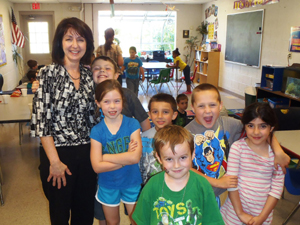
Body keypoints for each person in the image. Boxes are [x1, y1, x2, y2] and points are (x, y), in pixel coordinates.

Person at [30, 17, 97, 225]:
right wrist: (55, 161)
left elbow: (95, 117)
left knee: (84, 212)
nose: (75, 45)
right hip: (58, 154)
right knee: (60, 213)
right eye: (69, 39)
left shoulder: (89, 76)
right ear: (60, 43)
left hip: (87, 153)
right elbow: (42, 122)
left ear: (88, 44)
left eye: (81, 39)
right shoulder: (48, 74)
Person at [185, 83, 290, 208]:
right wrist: (217, 183)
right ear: (192, 107)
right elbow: (184, 168)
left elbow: (259, 130)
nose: (207, 111)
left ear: (220, 105)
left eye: (212, 105)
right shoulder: (185, 134)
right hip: (196, 195)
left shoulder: (229, 124)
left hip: (224, 196)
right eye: (201, 106)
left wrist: (278, 152)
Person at [91, 55, 151, 225]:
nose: (112, 106)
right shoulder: (96, 131)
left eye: (116, 101)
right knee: (111, 222)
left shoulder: (132, 124)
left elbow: (134, 157)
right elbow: (96, 166)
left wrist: (105, 157)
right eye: (106, 102)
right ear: (99, 103)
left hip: (132, 181)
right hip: (107, 184)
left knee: (137, 220)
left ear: (122, 101)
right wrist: (125, 157)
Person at [132, 125, 224, 225]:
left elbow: (213, 221)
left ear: (193, 154)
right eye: (169, 159)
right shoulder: (152, 185)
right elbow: (141, 220)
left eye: (183, 157)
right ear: (159, 158)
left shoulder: (202, 185)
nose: (177, 165)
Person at [221, 102, 284, 224]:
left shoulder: (276, 156)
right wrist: (240, 213)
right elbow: (232, 183)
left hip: (263, 217)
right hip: (234, 215)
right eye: (250, 125)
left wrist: (262, 218)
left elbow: (276, 190)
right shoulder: (238, 148)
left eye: (262, 126)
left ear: (271, 128)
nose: (256, 132)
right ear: (244, 126)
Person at [139, 93, 178, 184]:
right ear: (150, 114)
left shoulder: (180, 138)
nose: (160, 116)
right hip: (147, 187)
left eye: (165, 112)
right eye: (155, 112)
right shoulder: (142, 138)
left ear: (174, 115)